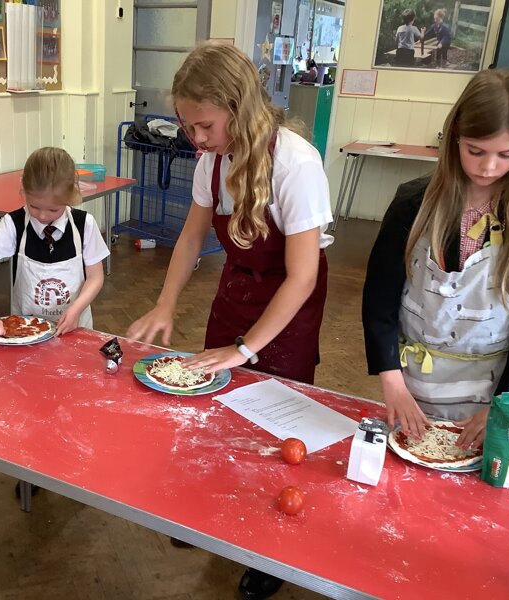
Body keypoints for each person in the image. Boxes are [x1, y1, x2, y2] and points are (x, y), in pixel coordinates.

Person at [126, 41, 333, 600]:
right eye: (188, 126)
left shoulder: (296, 163)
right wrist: (167, 302)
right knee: (221, 408)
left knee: (275, 421)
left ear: (237, 107)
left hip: (288, 304)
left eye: (205, 125)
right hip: (237, 291)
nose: (196, 139)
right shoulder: (213, 160)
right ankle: (215, 517)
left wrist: (246, 348)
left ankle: (268, 549)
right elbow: (193, 234)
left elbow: (301, 277)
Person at [362, 69, 509, 448]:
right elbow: (379, 301)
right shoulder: (412, 205)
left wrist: (502, 404)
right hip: (409, 384)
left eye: (506, 154)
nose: (488, 167)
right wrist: (391, 379)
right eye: (475, 151)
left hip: (487, 393)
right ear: (454, 138)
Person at [0, 146, 109, 336]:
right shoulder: (14, 224)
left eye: (53, 210)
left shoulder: (84, 225)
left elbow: (95, 276)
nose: (42, 215)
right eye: (33, 206)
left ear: (70, 197)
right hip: (25, 332)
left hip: (74, 329)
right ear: (23, 190)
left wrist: (76, 309)